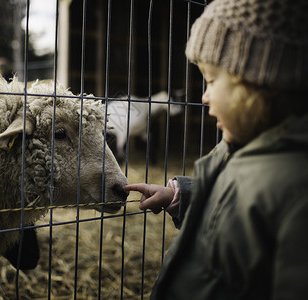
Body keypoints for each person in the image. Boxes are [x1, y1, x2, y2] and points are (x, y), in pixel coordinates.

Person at [125, 0, 308, 299]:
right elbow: (226, 198)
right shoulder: (230, 149)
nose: (205, 97)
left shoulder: (297, 193)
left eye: (210, 81)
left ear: (258, 86)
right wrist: (177, 195)